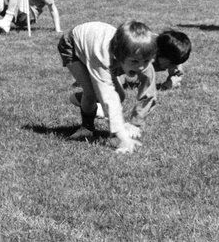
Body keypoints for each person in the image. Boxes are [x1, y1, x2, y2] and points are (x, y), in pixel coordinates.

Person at [57, 20, 156, 153]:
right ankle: (86, 128)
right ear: (119, 57)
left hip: (97, 41)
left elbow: (149, 91)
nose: (141, 67)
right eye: (134, 62)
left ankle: (78, 99)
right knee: (91, 92)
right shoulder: (101, 55)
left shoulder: (140, 52)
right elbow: (108, 96)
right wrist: (124, 138)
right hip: (72, 45)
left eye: (146, 61)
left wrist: (136, 122)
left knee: (120, 95)